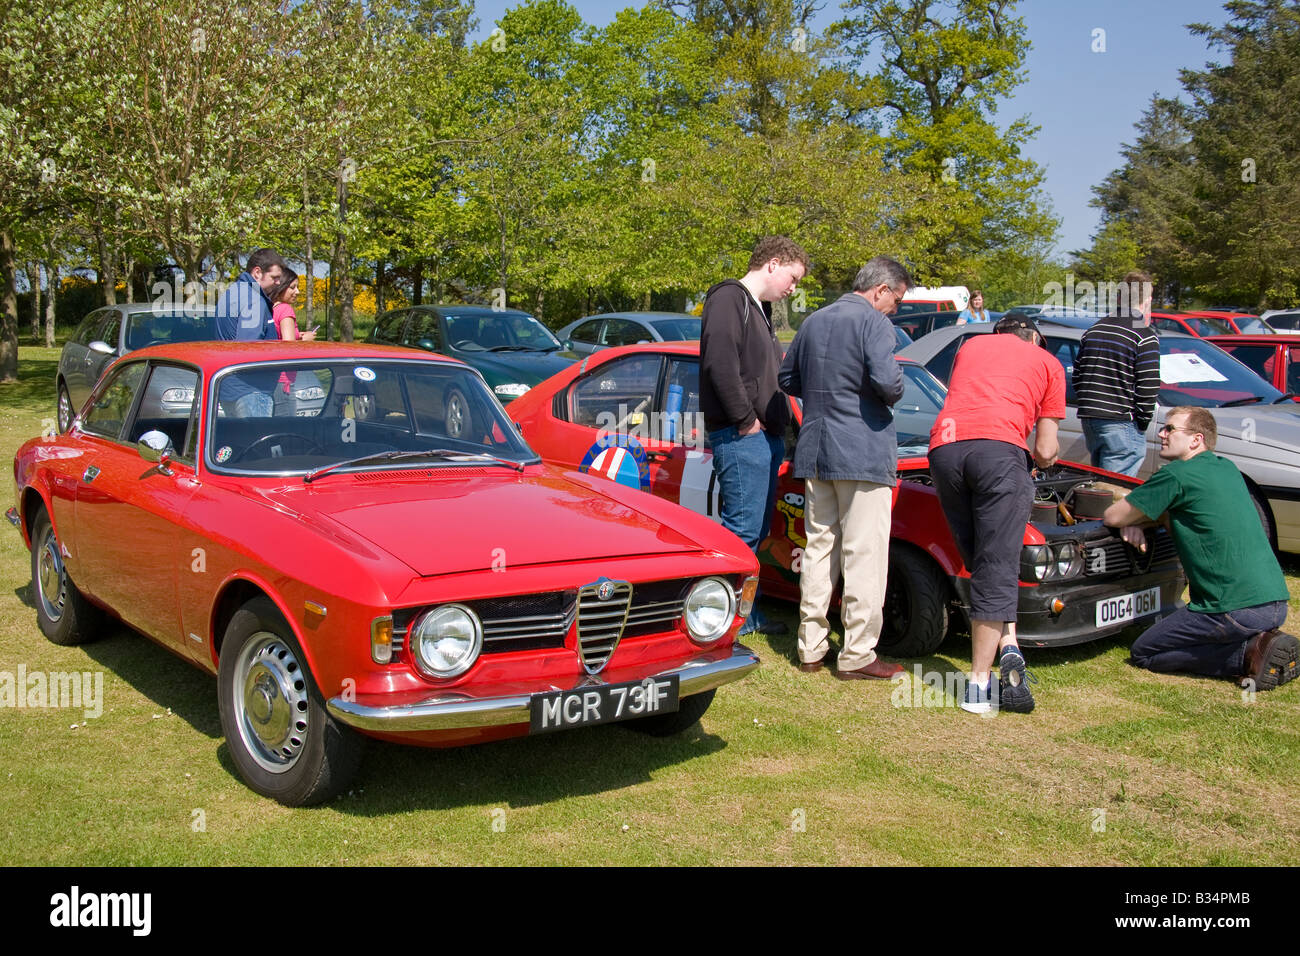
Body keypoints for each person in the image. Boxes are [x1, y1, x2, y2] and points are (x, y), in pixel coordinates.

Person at [1103, 407, 1297, 689]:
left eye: (1170, 429)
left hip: (1232, 609)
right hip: (1276, 603)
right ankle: (1260, 641)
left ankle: (1247, 654)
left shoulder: (1177, 476)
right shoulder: (1227, 468)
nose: (1161, 433)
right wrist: (1142, 519)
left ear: (1196, 439)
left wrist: (1131, 521)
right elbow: (1184, 513)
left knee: (1145, 651)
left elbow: (1113, 516)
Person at [778, 257, 908, 680]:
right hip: (863, 450)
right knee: (864, 554)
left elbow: (787, 378)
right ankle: (857, 654)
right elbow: (890, 385)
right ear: (881, 290)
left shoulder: (813, 321)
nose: (896, 308)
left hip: (818, 448)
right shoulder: (874, 323)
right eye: (897, 299)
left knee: (818, 549)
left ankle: (810, 648)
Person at [928, 316, 1065, 713]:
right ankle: (978, 688)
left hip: (945, 448)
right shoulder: (1047, 363)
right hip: (999, 453)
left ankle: (1009, 646)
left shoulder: (970, 346)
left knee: (980, 560)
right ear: (1035, 338)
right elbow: (1044, 448)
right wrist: (1048, 458)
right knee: (997, 565)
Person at [700, 235, 808, 636]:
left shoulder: (758, 307)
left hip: (762, 437)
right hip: (741, 434)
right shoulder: (729, 298)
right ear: (773, 264)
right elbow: (720, 364)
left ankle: (746, 613)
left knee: (757, 532)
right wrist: (746, 420)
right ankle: (723, 619)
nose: (792, 289)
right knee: (741, 532)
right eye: (792, 278)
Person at [1072, 270, 1160, 476]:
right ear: (1148, 299)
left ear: (1120, 297)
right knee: (1113, 492)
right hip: (1121, 421)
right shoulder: (1144, 335)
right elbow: (1148, 387)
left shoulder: (1095, 329)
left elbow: (1077, 376)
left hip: (1091, 417)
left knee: (1099, 488)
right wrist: (1142, 421)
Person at [214, 248, 285, 342]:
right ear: (257, 273)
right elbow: (248, 349)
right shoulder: (254, 300)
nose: (278, 282)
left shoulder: (231, 292)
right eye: (274, 277)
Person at [269, 268, 316, 341]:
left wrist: (297, 335)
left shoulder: (269, 308)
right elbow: (289, 345)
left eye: (297, 287)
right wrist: (304, 339)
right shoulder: (285, 309)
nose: (297, 292)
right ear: (280, 287)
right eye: (292, 287)